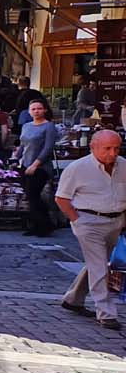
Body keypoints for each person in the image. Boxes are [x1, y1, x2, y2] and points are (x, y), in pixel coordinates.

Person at [54, 129, 126, 329]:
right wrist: (77, 221)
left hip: (115, 221)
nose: (113, 153)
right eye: (107, 148)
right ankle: (106, 313)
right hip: (88, 221)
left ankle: (73, 299)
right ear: (93, 147)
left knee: (99, 263)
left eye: (116, 148)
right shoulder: (78, 168)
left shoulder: (123, 166)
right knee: (99, 265)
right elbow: (61, 198)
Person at [17, 99, 60, 237]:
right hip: (25, 164)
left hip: (41, 167)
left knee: (33, 194)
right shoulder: (26, 126)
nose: (36, 111)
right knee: (30, 197)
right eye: (33, 109)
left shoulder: (49, 127)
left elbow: (48, 148)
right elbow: (23, 144)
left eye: (39, 108)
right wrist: (16, 157)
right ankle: (37, 225)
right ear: (29, 111)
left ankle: (45, 225)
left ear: (45, 110)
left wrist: (35, 164)